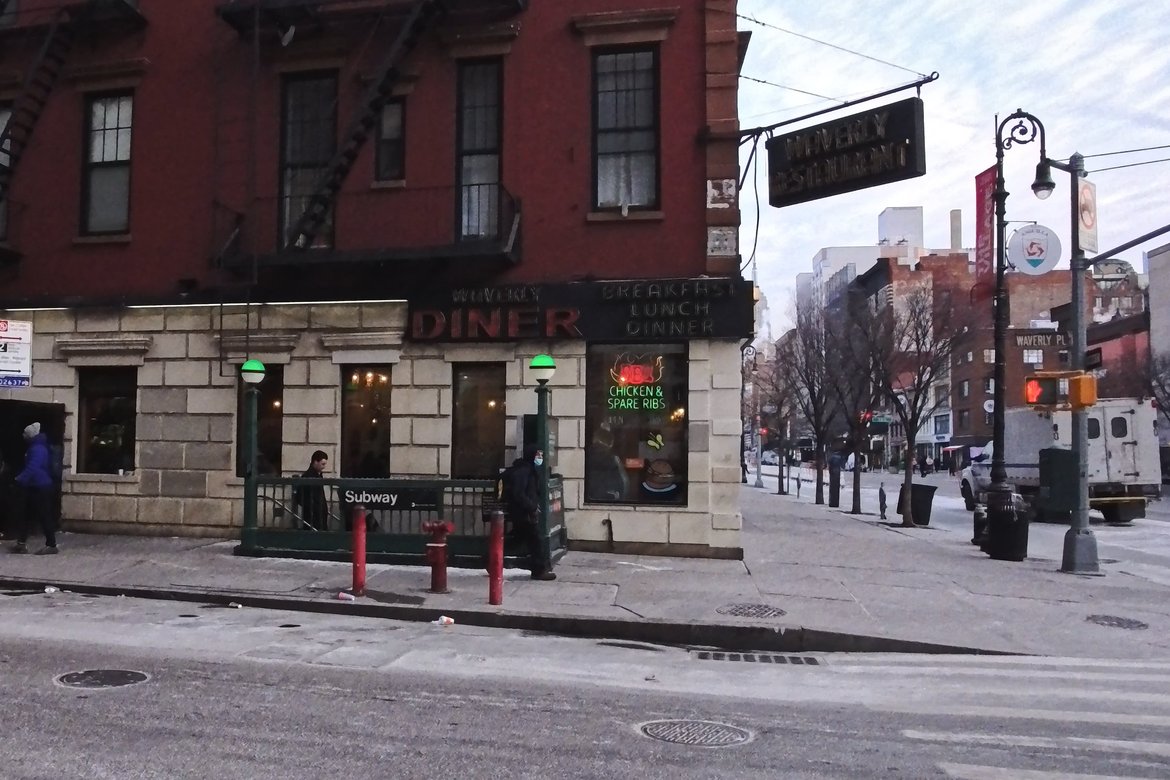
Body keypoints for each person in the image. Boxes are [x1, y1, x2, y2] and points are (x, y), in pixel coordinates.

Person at [503, 444, 555, 581]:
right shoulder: (524, 470)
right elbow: (518, 493)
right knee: (535, 541)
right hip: (523, 513)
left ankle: (490, 557)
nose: (540, 458)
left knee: (517, 539)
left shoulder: (529, 469)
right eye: (538, 455)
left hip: (524, 512)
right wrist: (531, 506)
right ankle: (539, 570)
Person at [12, 422, 57, 554]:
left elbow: (33, 467)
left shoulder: (37, 449)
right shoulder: (37, 447)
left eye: (25, 434)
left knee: (43, 515)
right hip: (35, 485)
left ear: (30, 435)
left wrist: (20, 479)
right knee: (27, 514)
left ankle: (51, 544)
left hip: (40, 486)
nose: (23, 436)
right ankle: (21, 543)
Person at [294, 450, 330, 531]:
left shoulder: (318, 475)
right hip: (313, 516)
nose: (324, 467)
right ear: (315, 462)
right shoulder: (308, 476)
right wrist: (311, 506)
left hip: (318, 514)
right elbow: (299, 496)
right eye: (322, 464)